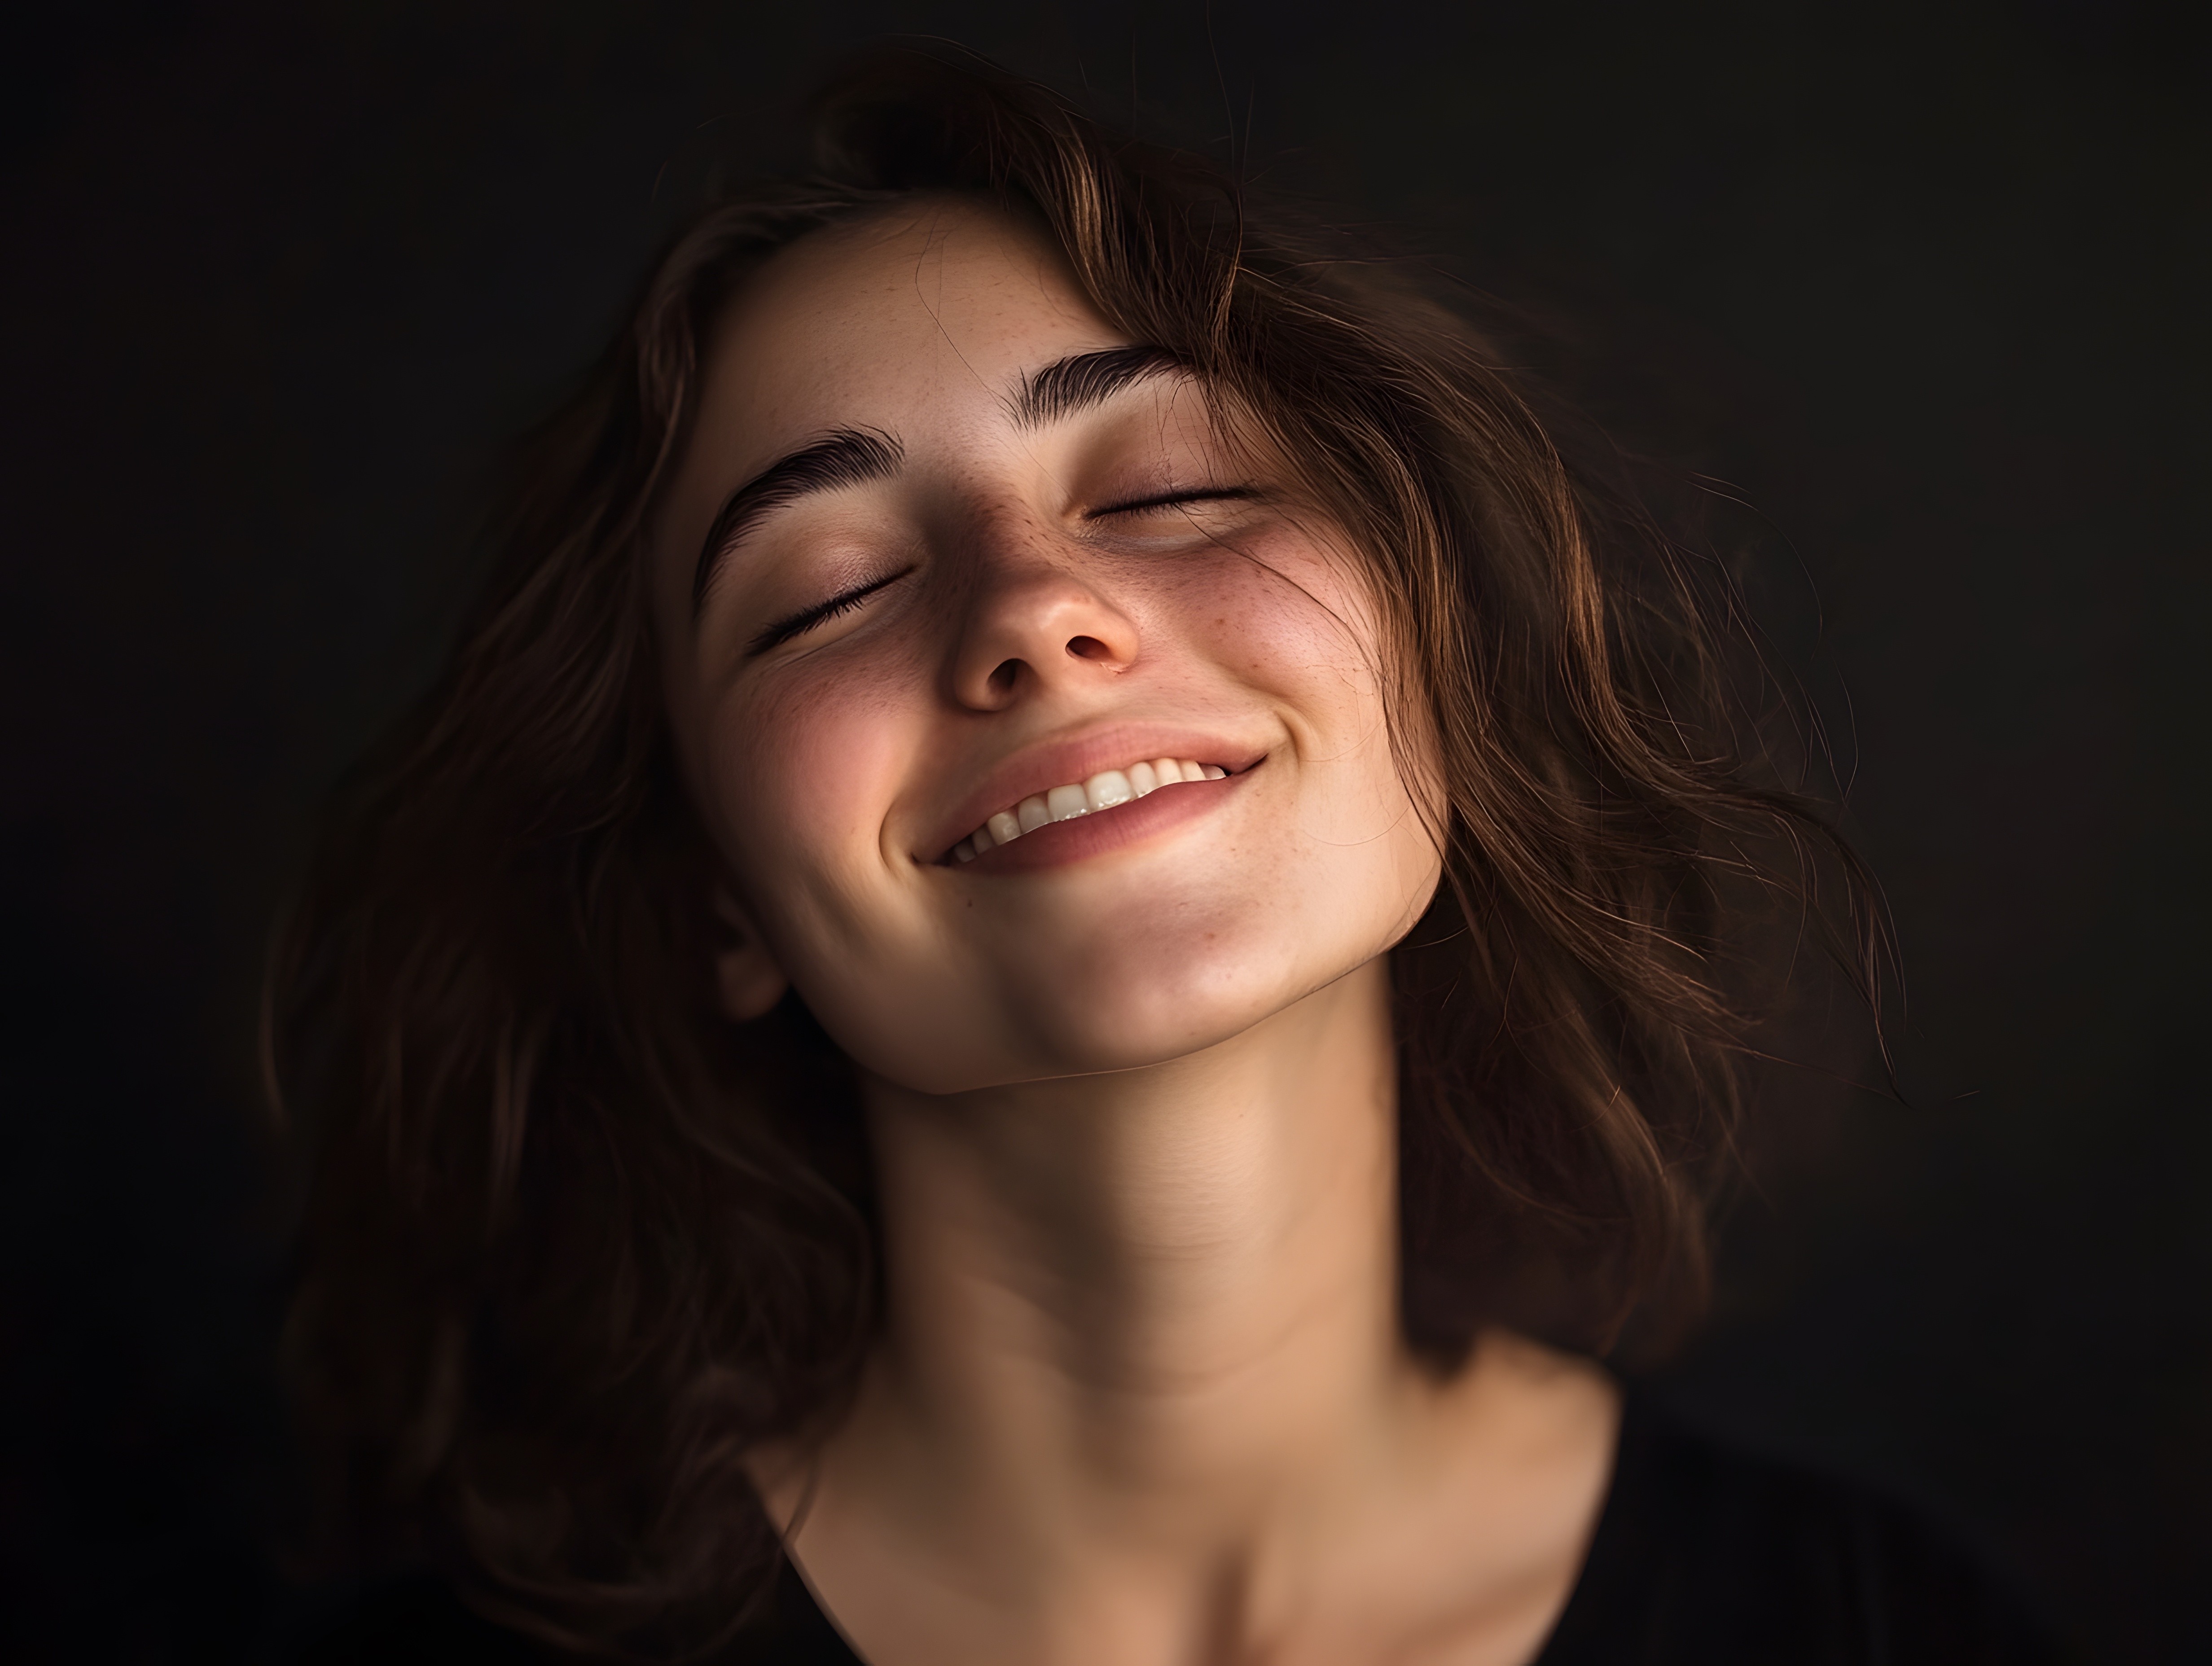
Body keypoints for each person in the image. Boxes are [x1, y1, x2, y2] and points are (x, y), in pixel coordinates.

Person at [273, 48, 2055, 1666]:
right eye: (827, 592)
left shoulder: (1881, 1629)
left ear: (1436, 663)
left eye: (1173, 488)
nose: (1037, 613)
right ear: (713, 896)